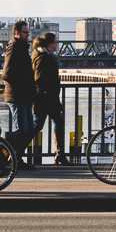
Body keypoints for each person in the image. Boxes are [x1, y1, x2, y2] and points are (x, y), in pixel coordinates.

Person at [28, 32, 70, 166]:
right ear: (50, 44)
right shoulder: (43, 57)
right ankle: (14, 150)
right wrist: (49, 88)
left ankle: (60, 154)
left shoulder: (42, 55)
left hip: (47, 98)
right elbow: (39, 78)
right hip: (46, 97)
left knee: (55, 123)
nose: (57, 44)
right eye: (55, 42)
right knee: (37, 125)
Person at [0, 20, 35, 170]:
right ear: (17, 33)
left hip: (24, 95)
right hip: (17, 95)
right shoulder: (13, 48)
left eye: (28, 32)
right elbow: (6, 74)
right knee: (22, 129)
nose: (28, 35)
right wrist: (23, 86)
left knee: (28, 128)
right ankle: (2, 150)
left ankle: (15, 157)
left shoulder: (21, 47)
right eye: (25, 32)